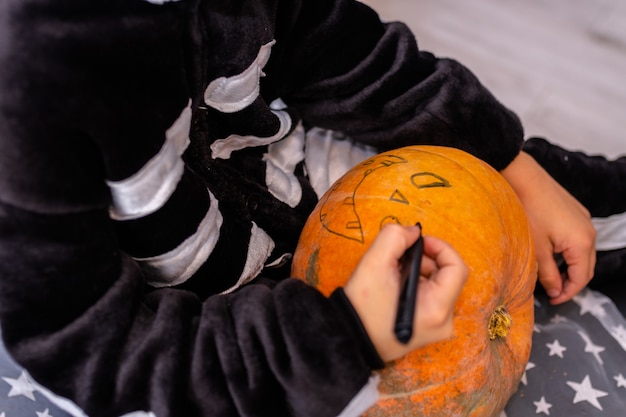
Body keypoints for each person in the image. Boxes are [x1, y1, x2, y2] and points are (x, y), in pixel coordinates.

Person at [0, 0, 595, 416]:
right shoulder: (24, 82)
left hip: (298, 161)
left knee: (573, 200)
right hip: (214, 313)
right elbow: (93, 347)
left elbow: (346, 49)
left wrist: (511, 163)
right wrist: (344, 336)